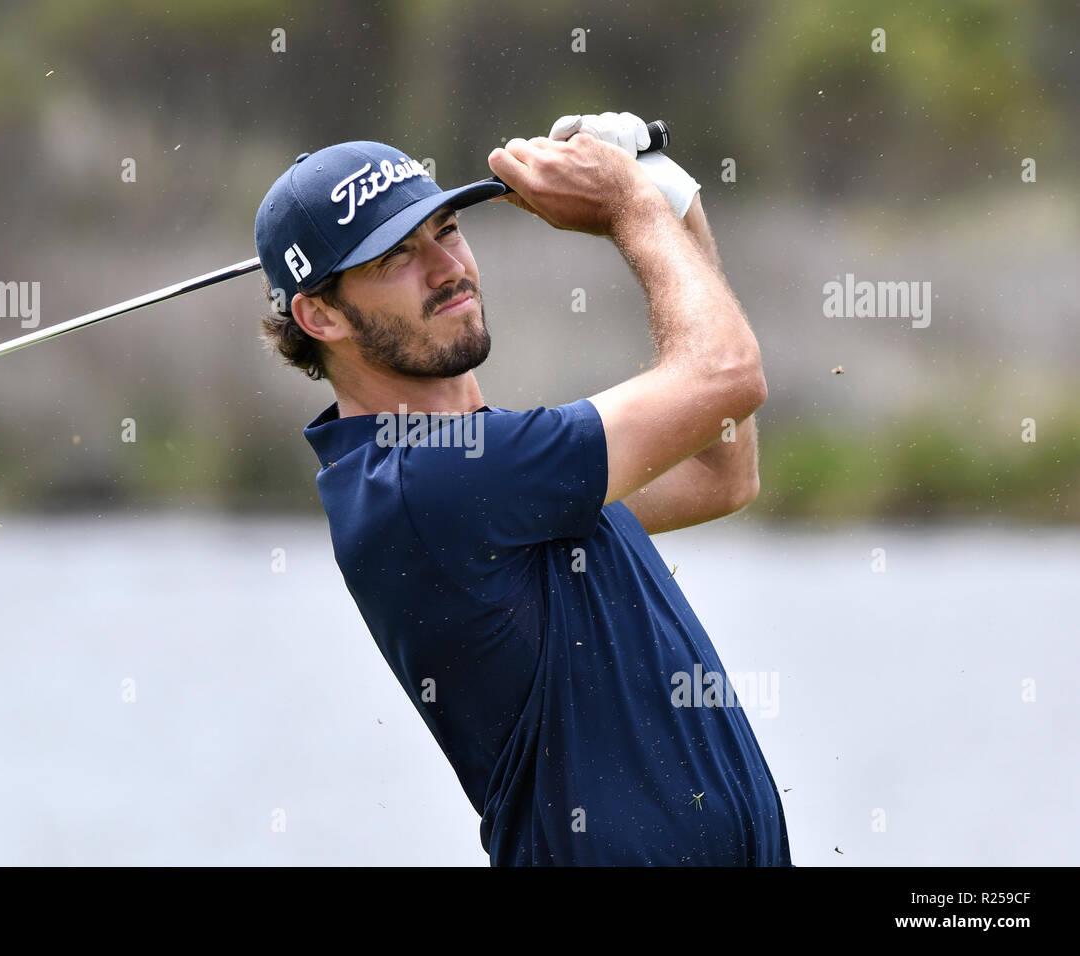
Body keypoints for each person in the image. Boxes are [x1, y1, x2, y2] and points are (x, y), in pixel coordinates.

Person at [253, 111, 792, 866]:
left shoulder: (485, 468)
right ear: (318, 314)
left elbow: (721, 473)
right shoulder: (424, 480)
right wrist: (632, 208)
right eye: (394, 259)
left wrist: (675, 203)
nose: (446, 268)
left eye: (446, 229)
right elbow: (728, 376)